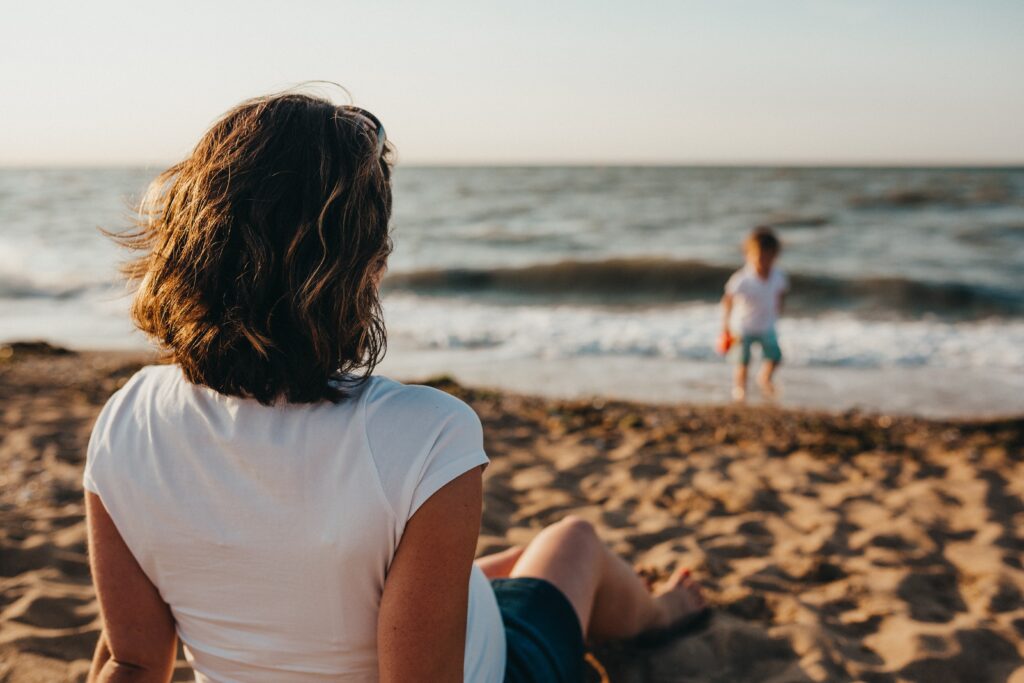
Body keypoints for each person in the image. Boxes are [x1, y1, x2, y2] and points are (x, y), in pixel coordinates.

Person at [84, 90, 706, 683]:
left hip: (379, 618)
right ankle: (665, 615)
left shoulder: (126, 419)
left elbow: (134, 664)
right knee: (574, 543)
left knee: (501, 569)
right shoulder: (428, 434)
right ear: (367, 269)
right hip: (499, 669)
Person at [720, 227, 788, 402]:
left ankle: (764, 378)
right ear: (748, 255)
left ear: (775, 256)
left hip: (766, 325)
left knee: (775, 357)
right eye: (759, 257)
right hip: (743, 326)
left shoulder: (778, 276)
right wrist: (725, 326)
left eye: (768, 257)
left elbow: (780, 294)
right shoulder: (742, 278)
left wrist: (778, 310)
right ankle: (740, 389)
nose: (764, 261)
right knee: (742, 361)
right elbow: (727, 300)